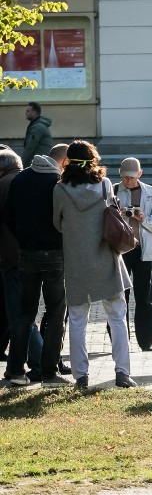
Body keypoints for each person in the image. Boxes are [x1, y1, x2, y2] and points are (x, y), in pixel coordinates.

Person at [53, 140, 136, 389]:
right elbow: (113, 214)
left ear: (68, 162)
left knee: (78, 320)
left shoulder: (60, 189)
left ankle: (81, 376)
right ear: (93, 159)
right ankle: (123, 373)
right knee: (117, 317)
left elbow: (57, 224)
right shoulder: (105, 184)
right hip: (105, 256)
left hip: (77, 259)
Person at [5, 144, 68, 385]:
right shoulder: (58, 181)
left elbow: (9, 215)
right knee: (55, 314)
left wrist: (23, 238)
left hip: (26, 253)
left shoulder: (21, 179)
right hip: (54, 253)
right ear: (63, 161)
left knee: (25, 314)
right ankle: (49, 373)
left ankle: (16, 371)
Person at [114, 157, 152, 351]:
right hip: (120, 251)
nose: (127, 181)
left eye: (131, 177)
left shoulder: (150, 192)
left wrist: (144, 219)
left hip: (143, 251)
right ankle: (119, 340)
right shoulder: (113, 190)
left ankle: (146, 341)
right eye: (124, 177)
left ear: (139, 174)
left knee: (144, 296)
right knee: (120, 296)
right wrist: (117, 214)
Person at [21, 102, 54, 168]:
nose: (26, 113)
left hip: (38, 164)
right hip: (40, 162)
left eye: (28, 111)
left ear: (34, 112)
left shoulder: (38, 127)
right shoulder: (37, 125)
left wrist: (21, 162)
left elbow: (30, 146)